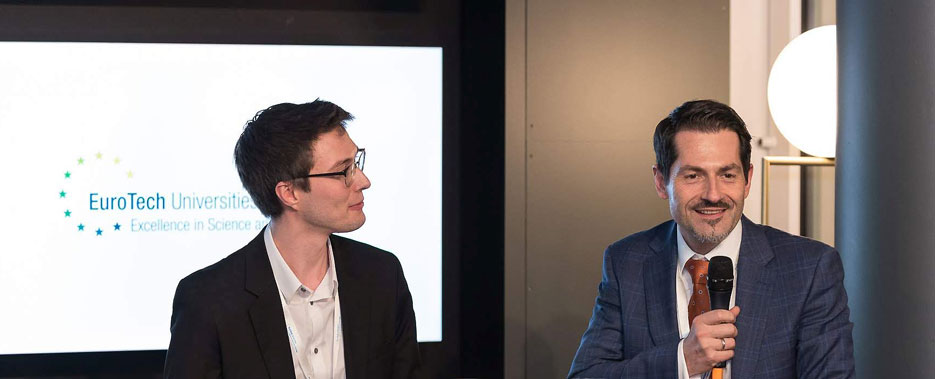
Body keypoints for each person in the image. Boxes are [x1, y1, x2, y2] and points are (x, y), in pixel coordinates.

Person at [568, 100, 854, 378]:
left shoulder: (809, 269)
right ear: (660, 182)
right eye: (693, 176)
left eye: (727, 174)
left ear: (748, 179)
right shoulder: (626, 262)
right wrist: (682, 361)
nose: (713, 194)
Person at [164, 100, 422, 379]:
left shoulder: (382, 275)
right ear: (289, 193)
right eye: (343, 170)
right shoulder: (209, 301)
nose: (363, 181)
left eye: (356, 162)